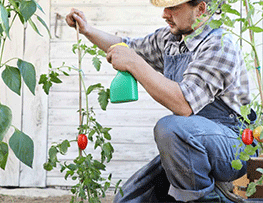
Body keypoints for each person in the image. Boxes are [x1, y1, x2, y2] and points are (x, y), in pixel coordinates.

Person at [66, 0, 257, 202]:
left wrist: (134, 63)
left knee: (170, 128)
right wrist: (87, 30)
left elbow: (183, 105)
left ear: (200, 9)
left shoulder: (219, 44)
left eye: (173, 8)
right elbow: (126, 47)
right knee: (129, 198)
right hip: (193, 140)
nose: (164, 14)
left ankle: (210, 199)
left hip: (234, 146)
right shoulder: (170, 39)